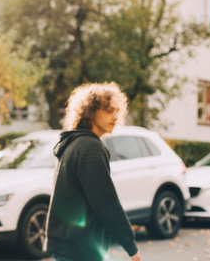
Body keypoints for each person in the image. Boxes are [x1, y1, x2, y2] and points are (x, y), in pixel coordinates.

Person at [45, 82, 141, 261]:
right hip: (80, 248)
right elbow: (106, 203)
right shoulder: (90, 147)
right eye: (108, 110)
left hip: (66, 244)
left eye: (116, 111)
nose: (114, 116)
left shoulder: (74, 144)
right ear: (90, 111)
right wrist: (131, 247)